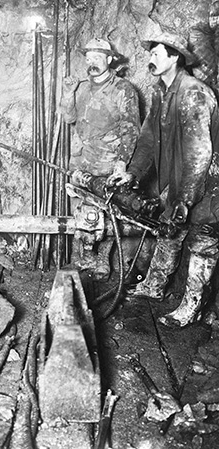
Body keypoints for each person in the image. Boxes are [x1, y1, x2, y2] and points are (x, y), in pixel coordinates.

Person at [109, 31, 219, 327]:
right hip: (178, 180)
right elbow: (147, 140)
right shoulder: (161, 92)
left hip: (208, 183)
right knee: (168, 231)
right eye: (150, 53)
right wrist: (132, 173)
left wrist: (186, 198)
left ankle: (191, 307)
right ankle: (154, 287)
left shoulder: (193, 93)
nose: (151, 58)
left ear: (174, 58)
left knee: (202, 244)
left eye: (157, 53)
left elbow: (199, 152)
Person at [60, 37, 140, 278]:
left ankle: (103, 260)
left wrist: (122, 163)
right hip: (81, 162)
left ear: (109, 59)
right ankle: (82, 257)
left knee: (106, 217)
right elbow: (68, 118)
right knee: (80, 213)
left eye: (97, 57)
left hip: (107, 163)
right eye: (88, 58)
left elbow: (131, 128)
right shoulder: (82, 87)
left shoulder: (122, 89)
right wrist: (67, 93)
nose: (92, 62)